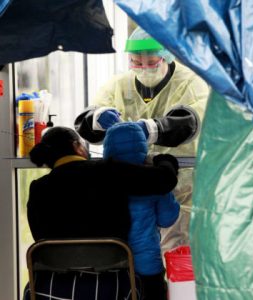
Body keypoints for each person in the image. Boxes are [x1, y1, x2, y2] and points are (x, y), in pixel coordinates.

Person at [74, 26, 210, 252]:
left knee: (179, 258)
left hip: (182, 190)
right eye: (136, 63)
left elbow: (190, 121)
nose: (143, 69)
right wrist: (98, 118)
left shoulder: (190, 82)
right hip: (131, 186)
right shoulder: (119, 85)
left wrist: (151, 129)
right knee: (134, 256)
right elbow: (85, 121)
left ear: (166, 56)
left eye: (151, 62)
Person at [23, 126, 179, 300]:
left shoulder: (38, 188)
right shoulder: (106, 171)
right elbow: (164, 180)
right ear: (77, 146)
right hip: (112, 285)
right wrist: (165, 160)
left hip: (53, 288)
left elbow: (40, 238)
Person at [103, 122, 180, 300]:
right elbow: (168, 218)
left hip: (110, 264)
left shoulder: (101, 179)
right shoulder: (153, 181)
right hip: (147, 265)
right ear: (142, 147)